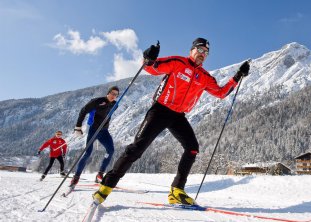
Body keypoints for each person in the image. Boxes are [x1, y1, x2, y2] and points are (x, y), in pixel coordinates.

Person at [92, 38, 250, 206]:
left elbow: (220, 93)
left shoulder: (204, 77)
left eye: (206, 53)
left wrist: (237, 76)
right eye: (200, 50)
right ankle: (106, 187)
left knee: (192, 148)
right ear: (192, 50)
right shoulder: (177, 62)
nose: (202, 54)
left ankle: (177, 191)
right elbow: (151, 67)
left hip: (178, 116)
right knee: (137, 149)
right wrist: (149, 57)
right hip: (160, 110)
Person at [69, 86, 119, 187]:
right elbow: (83, 111)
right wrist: (78, 126)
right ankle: (76, 177)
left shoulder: (115, 105)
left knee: (110, 151)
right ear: (108, 93)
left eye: (116, 95)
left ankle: (100, 173)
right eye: (113, 93)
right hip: (94, 130)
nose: (114, 96)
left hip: (104, 131)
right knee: (87, 153)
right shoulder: (97, 101)